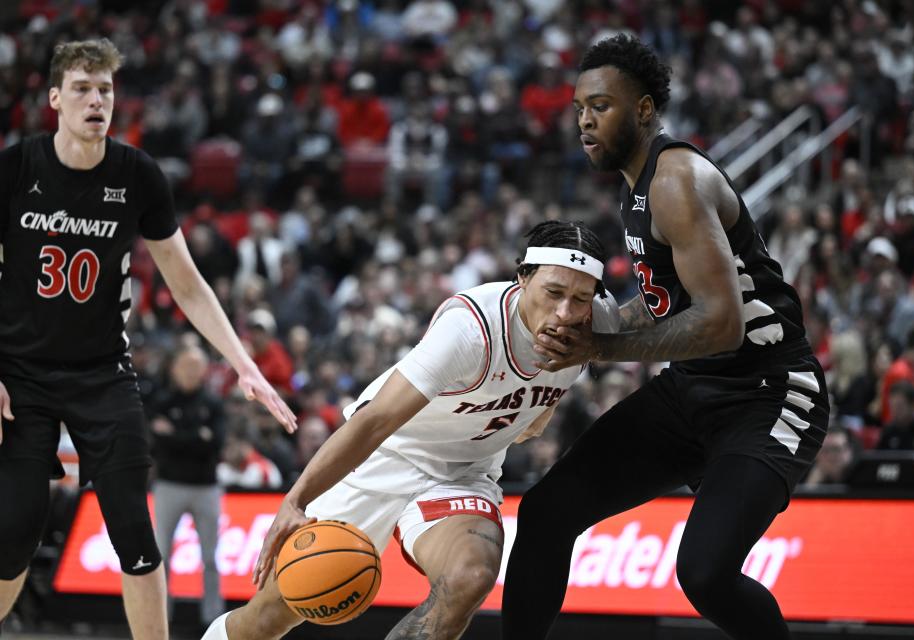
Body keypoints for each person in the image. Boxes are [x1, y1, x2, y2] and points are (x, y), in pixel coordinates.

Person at [501, 34, 829, 640]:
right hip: (692, 390)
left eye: (600, 106)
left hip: (769, 393)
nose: (584, 121)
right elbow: (661, 304)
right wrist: (595, 325)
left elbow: (721, 324)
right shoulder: (637, 187)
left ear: (645, 110)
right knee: (546, 512)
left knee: (704, 575)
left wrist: (602, 348)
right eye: (578, 109)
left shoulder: (675, 178)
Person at [0, 39, 297, 640]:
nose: (96, 100)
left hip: (102, 373)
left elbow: (187, 284)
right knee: (15, 533)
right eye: (82, 88)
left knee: (135, 532)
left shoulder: (137, 175)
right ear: (54, 98)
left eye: (106, 89)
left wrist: (243, 364)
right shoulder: (16, 167)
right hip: (20, 373)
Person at [201, 220, 619, 640]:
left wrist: (533, 415)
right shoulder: (471, 329)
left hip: (462, 474)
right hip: (383, 454)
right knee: (271, 617)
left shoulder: (597, 326)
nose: (565, 312)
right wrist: (296, 500)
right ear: (523, 278)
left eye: (580, 298)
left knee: (470, 577)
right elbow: (375, 422)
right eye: (553, 293)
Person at [150, 345, 226, 630]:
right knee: (161, 555)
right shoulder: (163, 400)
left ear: (204, 370)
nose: (191, 372)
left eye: (196, 366)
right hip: (169, 484)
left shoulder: (213, 403)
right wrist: (196, 437)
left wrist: (176, 435)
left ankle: (213, 619)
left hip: (206, 487)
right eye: (186, 366)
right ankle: (160, 617)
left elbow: (215, 444)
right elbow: (157, 442)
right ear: (175, 368)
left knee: (211, 557)